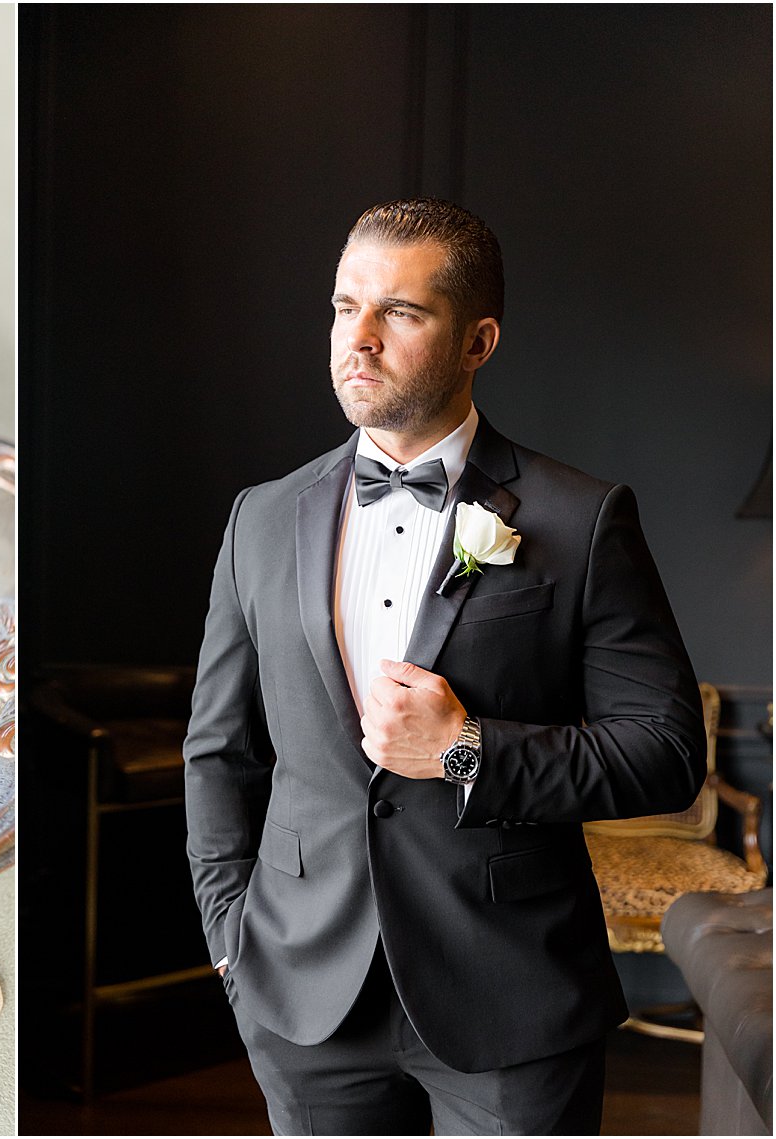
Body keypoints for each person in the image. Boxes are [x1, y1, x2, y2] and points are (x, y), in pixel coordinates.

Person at [183, 198, 705, 1136]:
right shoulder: (258, 518)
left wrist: (468, 748)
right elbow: (218, 751)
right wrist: (232, 943)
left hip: (512, 995)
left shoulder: (579, 519)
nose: (361, 339)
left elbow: (664, 751)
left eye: (402, 312)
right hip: (302, 1003)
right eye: (345, 307)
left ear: (478, 339)